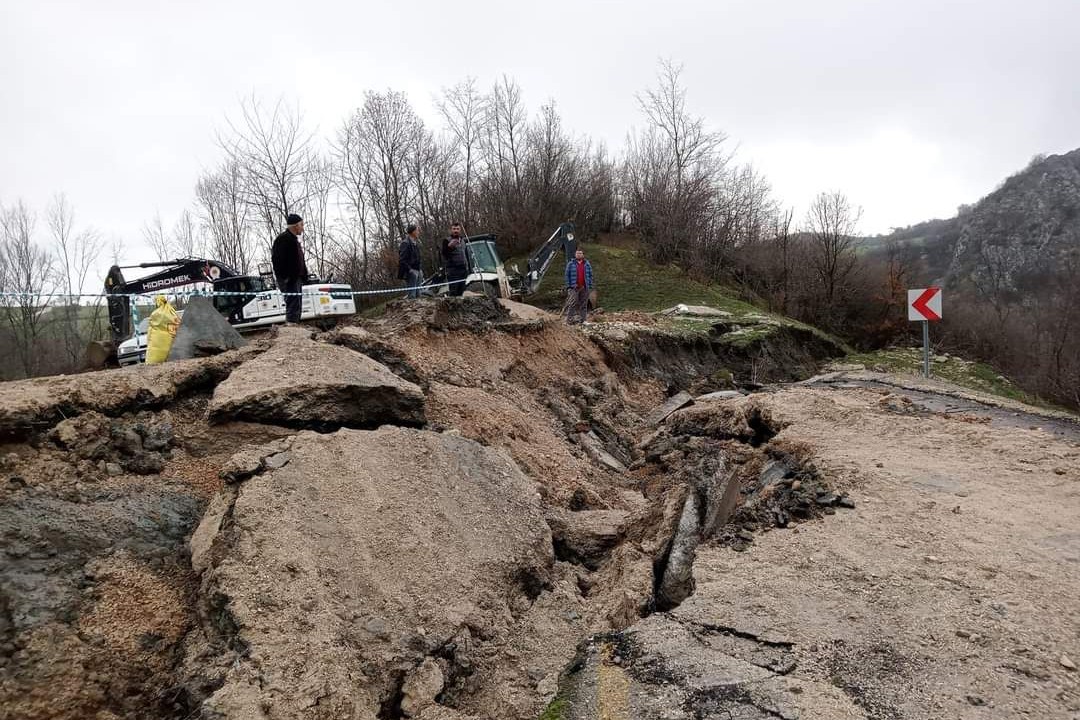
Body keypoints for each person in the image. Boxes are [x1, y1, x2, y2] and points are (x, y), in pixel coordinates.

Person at [271, 213, 308, 323]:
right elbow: (276, 261)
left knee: (297, 306)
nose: (303, 228)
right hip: (289, 280)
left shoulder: (294, 240)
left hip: (297, 278)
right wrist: (285, 278)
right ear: (296, 226)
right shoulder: (283, 239)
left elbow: (299, 260)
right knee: (292, 306)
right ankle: (292, 331)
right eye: (301, 225)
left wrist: (304, 275)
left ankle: (295, 328)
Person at [564, 248, 593, 324]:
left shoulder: (587, 264)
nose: (578, 255)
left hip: (584, 287)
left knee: (583, 304)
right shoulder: (570, 264)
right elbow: (567, 276)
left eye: (580, 253)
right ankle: (569, 320)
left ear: (583, 255)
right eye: (577, 253)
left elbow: (590, 275)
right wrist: (569, 286)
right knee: (572, 303)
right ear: (575, 255)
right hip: (573, 287)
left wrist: (589, 285)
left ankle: (583, 320)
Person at [441, 222, 469, 297]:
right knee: (453, 292)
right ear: (451, 230)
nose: (456, 231)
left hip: (463, 270)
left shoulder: (463, 240)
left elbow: (466, 254)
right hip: (453, 271)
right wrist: (449, 247)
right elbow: (444, 254)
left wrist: (467, 267)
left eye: (457, 229)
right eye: (454, 229)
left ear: (460, 230)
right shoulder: (446, 240)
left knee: (462, 292)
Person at [398, 223, 423, 299]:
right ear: (413, 232)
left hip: (418, 270)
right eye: (417, 230)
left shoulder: (415, 243)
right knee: (412, 295)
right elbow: (402, 260)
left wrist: (419, 270)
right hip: (411, 272)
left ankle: (419, 310)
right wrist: (410, 270)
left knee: (418, 294)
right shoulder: (405, 243)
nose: (418, 232)